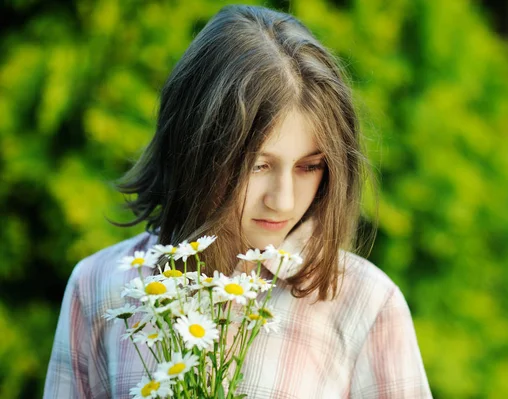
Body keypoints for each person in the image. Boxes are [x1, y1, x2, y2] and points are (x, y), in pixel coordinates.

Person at [43, 4, 432, 398]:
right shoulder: (100, 287)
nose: (282, 201)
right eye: (258, 166)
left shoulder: (366, 304)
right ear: (194, 150)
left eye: (308, 167)